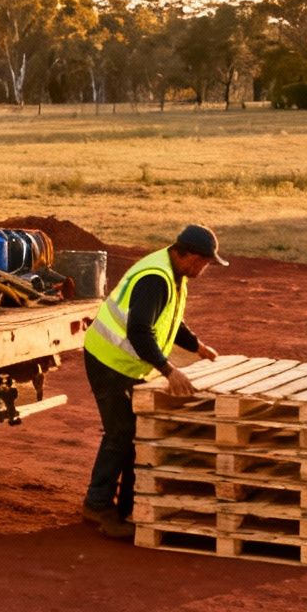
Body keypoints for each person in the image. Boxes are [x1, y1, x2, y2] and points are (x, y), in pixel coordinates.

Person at [78, 224, 227, 539]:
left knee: (131, 431)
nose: (203, 268)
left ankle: (122, 503)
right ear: (183, 253)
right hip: (108, 361)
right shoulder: (155, 278)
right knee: (121, 432)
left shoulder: (173, 274)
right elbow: (139, 332)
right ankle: (97, 504)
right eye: (201, 261)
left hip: (127, 364)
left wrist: (196, 345)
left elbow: (170, 318)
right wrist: (169, 370)